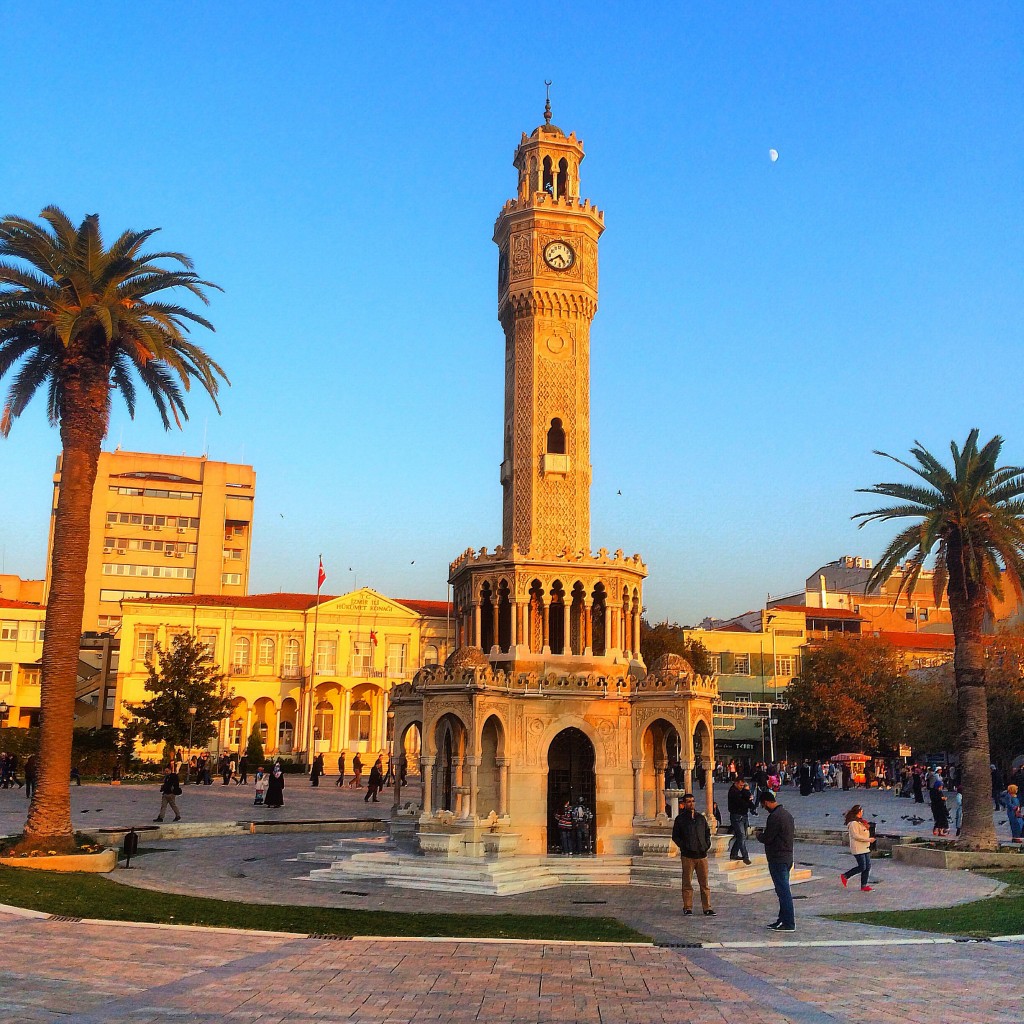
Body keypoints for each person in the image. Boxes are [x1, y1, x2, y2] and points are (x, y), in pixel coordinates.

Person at [671, 793, 715, 916]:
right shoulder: (680, 819)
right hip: (688, 856)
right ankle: (688, 907)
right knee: (687, 883)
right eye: (689, 801)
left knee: (704, 883)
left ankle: (707, 907)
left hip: (702, 855)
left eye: (693, 801)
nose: (691, 804)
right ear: (684, 804)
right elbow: (675, 836)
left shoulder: (700, 818)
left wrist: (706, 845)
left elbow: (707, 832)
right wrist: (685, 846)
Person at [758, 791, 796, 931]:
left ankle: (789, 923)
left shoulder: (774, 817)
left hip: (778, 858)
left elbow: (768, 838)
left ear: (766, 802)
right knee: (782, 891)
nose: (764, 808)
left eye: (763, 805)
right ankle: (782, 920)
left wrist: (759, 835)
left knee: (783, 892)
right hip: (787, 856)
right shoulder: (787, 815)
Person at [840, 805, 873, 891]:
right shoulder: (853, 823)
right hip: (858, 848)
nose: (862, 813)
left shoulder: (861, 822)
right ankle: (846, 875)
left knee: (868, 866)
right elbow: (856, 836)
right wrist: (868, 839)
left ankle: (864, 885)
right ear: (858, 812)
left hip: (865, 847)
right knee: (862, 866)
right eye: (861, 811)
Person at [727, 777, 753, 864]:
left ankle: (734, 854)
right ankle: (745, 856)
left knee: (742, 836)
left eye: (743, 785)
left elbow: (746, 795)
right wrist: (748, 800)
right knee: (741, 835)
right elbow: (740, 802)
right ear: (736, 783)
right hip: (736, 816)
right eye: (740, 785)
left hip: (743, 815)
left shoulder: (741, 791)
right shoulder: (733, 792)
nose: (742, 787)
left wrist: (748, 796)